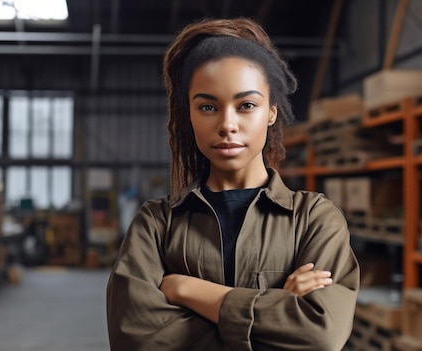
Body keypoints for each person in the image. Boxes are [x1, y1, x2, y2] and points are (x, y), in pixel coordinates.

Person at [106, 17, 359, 351]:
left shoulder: (314, 219)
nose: (227, 124)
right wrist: (278, 307)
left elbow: (321, 334)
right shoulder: (155, 225)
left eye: (246, 106)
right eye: (208, 106)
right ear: (189, 115)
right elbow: (136, 341)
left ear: (271, 112)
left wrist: (187, 291)